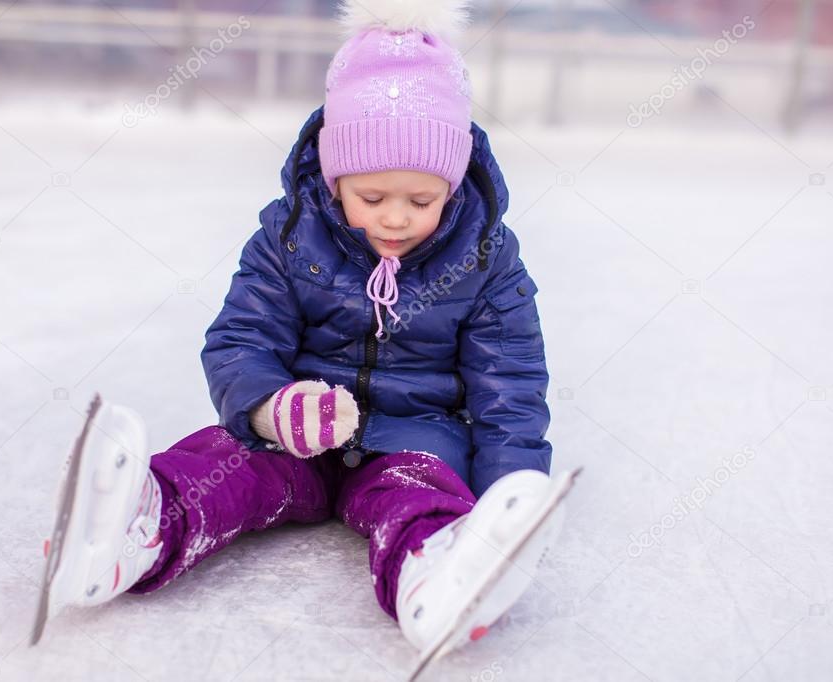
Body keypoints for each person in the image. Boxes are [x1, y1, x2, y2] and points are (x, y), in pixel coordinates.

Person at [36, 0, 576, 660]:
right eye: (372, 198)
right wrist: (269, 409)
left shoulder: (486, 259)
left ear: (455, 185)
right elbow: (241, 338)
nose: (397, 219)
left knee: (417, 496)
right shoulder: (288, 240)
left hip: (415, 440)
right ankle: (138, 530)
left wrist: (505, 503)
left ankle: (438, 569)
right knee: (220, 460)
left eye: (422, 199)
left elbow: (509, 386)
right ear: (332, 176)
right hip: (296, 437)